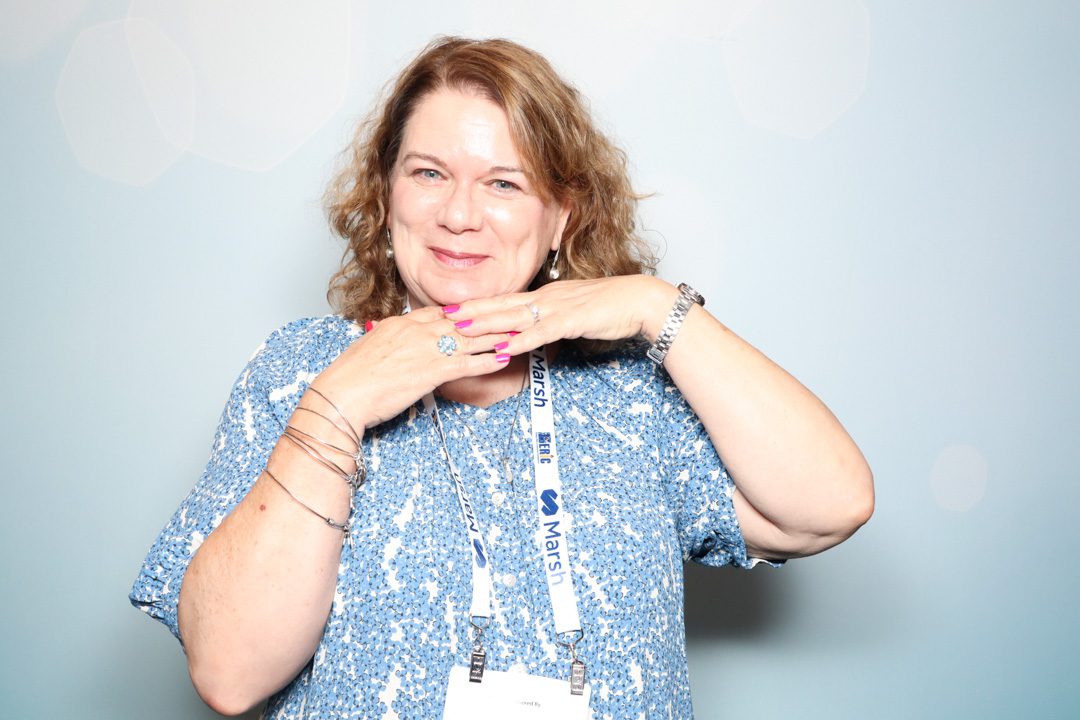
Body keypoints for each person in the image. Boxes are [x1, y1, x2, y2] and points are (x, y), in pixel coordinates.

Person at [131, 36, 873, 718]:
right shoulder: (299, 372)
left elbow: (829, 506)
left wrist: (656, 306)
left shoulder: (629, 390)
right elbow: (229, 674)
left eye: (504, 184)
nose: (459, 214)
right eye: (428, 173)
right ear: (386, 195)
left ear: (561, 218)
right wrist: (341, 402)